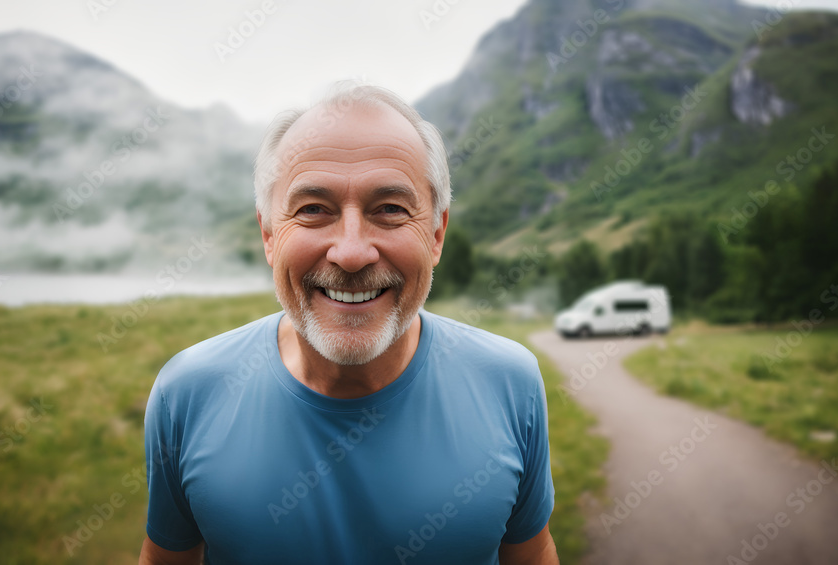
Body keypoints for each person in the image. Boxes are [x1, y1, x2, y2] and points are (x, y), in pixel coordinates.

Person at [139, 83, 558, 565]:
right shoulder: (186, 393)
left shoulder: (510, 382)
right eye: (314, 209)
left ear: (437, 233)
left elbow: (533, 550)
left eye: (390, 210)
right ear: (270, 235)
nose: (353, 252)